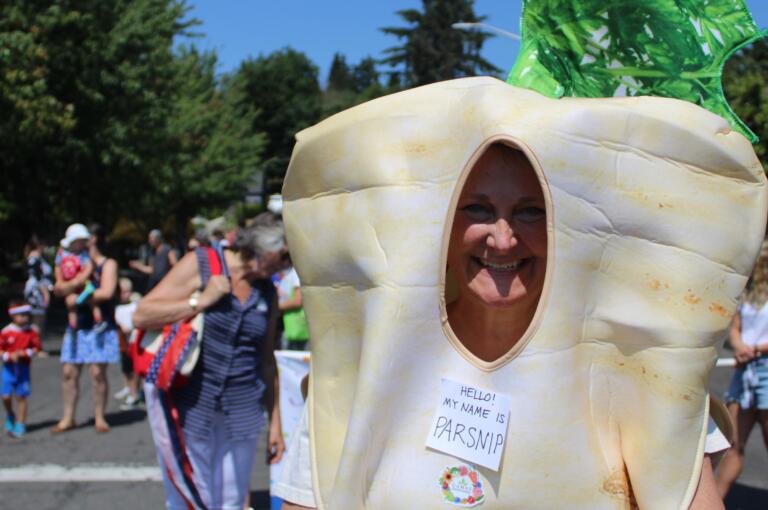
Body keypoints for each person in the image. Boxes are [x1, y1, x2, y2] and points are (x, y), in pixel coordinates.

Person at [277, 143, 731, 510]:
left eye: (531, 211)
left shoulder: (641, 374)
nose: (503, 237)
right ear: (441, 227)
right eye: (476, 209)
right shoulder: (364, 375)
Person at [133, 219, 286, 510]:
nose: (287, 266)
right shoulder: (202, 262)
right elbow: (142, 315)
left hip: (243, 410)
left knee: (231, 500)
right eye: (285, 256)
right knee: (189, 498)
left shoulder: (267, 291)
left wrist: (275, 425)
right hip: (191, 405)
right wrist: (200, 303)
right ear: (264, 245)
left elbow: (266, 362)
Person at [52, 223, 120, 434]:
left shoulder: (107, 264)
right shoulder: (68, 260)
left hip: (99, 325)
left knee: (97, 373)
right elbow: (58, 289)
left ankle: (100, 417)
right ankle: (68, 417)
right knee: (69, 372)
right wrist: (73, 288)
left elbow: (107, 292)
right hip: (77, 325)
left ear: (94, 239)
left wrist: (76, 295)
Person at [715, 242, 768, 498]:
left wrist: (756, 349)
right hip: (745, 372)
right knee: (733, 445)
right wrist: (739, 345)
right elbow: (734, 329)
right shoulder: (747, 296)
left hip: (766, 372)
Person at [1, 300, 41, 438]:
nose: (24, 317)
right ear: (13, 316)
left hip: (23, 368)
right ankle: (11, 414)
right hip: (9, 368)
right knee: (5, 396)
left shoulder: (31, 331)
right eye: (21, 315)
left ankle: (20, 423)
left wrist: (24, 353)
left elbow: (37, 348)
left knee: (21, 396)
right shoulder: (6, 332)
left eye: (26, 314)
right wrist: (8, 355)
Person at [55, 223, 102, 332]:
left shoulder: (84, 255)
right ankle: (73, 325)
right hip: (70, 285)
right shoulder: (62, 254)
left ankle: (98, 320)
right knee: (70, 305)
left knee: (92, 303)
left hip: (83, 286)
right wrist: (59, 281)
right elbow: (58, 268)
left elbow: (89, 267)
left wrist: (81, 279)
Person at [114, 277, 142, 409]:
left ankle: (134, 394)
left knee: (134, 370)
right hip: (123, 343)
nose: (124, 295)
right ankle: (128, 389)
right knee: (125, 368)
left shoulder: (134, 306)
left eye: (126, 292)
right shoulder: (117, 308)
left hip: (133, 342)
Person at [23, 235, 52, 346]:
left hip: (38, 290)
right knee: (37, 319)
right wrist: (45, 293)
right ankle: (35, 345)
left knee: (39, 319)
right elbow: (37, 277)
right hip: (37, 292)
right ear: (40, 245)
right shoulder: (35, 258)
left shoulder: (36, 258)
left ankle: (36, 344)